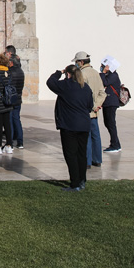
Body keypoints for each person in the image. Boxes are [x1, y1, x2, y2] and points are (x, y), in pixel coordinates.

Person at [47, 64, 94, 192]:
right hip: (83, 125)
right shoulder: (85, 87)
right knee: (81, 153)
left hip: (69, 126)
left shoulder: (65, 86)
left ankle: (75, 183)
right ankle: (82, 180)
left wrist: (59, 72)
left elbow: (50, 82)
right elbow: (90, 105)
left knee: (71, 154)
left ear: (68, 74)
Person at [74, 51, 107, 168]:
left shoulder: (81, 74)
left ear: (81, 62)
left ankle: (87, 161)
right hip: (94, 111)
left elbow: (79, 93)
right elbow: (102, 93)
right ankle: (97, 159)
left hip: (84, 110)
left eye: (77, 62)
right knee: (95, 136)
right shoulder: (96, 73)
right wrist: (96, 106)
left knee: (86, 136)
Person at [100, 56, 123, 153]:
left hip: (111, 103)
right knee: (108, 123)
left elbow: (104, 82)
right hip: (107, 103)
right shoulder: (110, 75)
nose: (101, 67)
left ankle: (115, 145)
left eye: (103, 66)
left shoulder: (113, 75)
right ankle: (115, 143)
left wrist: (103, 73)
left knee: (111, 124)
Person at [9, 53, 25, 149]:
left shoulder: (10, 72)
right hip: (18, 98)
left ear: (11, 63)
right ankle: (20, 142)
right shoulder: (21, 71)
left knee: (9, 121)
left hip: (11, 99)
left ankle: (9, 142)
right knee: (17, 120)